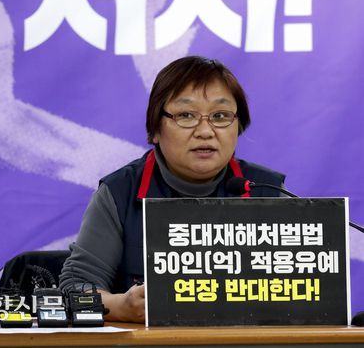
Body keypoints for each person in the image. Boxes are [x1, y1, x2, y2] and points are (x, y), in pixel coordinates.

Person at [59, 56, 284, 323]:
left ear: (238, 126)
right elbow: (76, 288)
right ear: (155, 128)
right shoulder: (120, 193)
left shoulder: (268, 192)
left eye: (220, 116)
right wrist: (120, 307)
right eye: (186, 115)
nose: (205, 131)